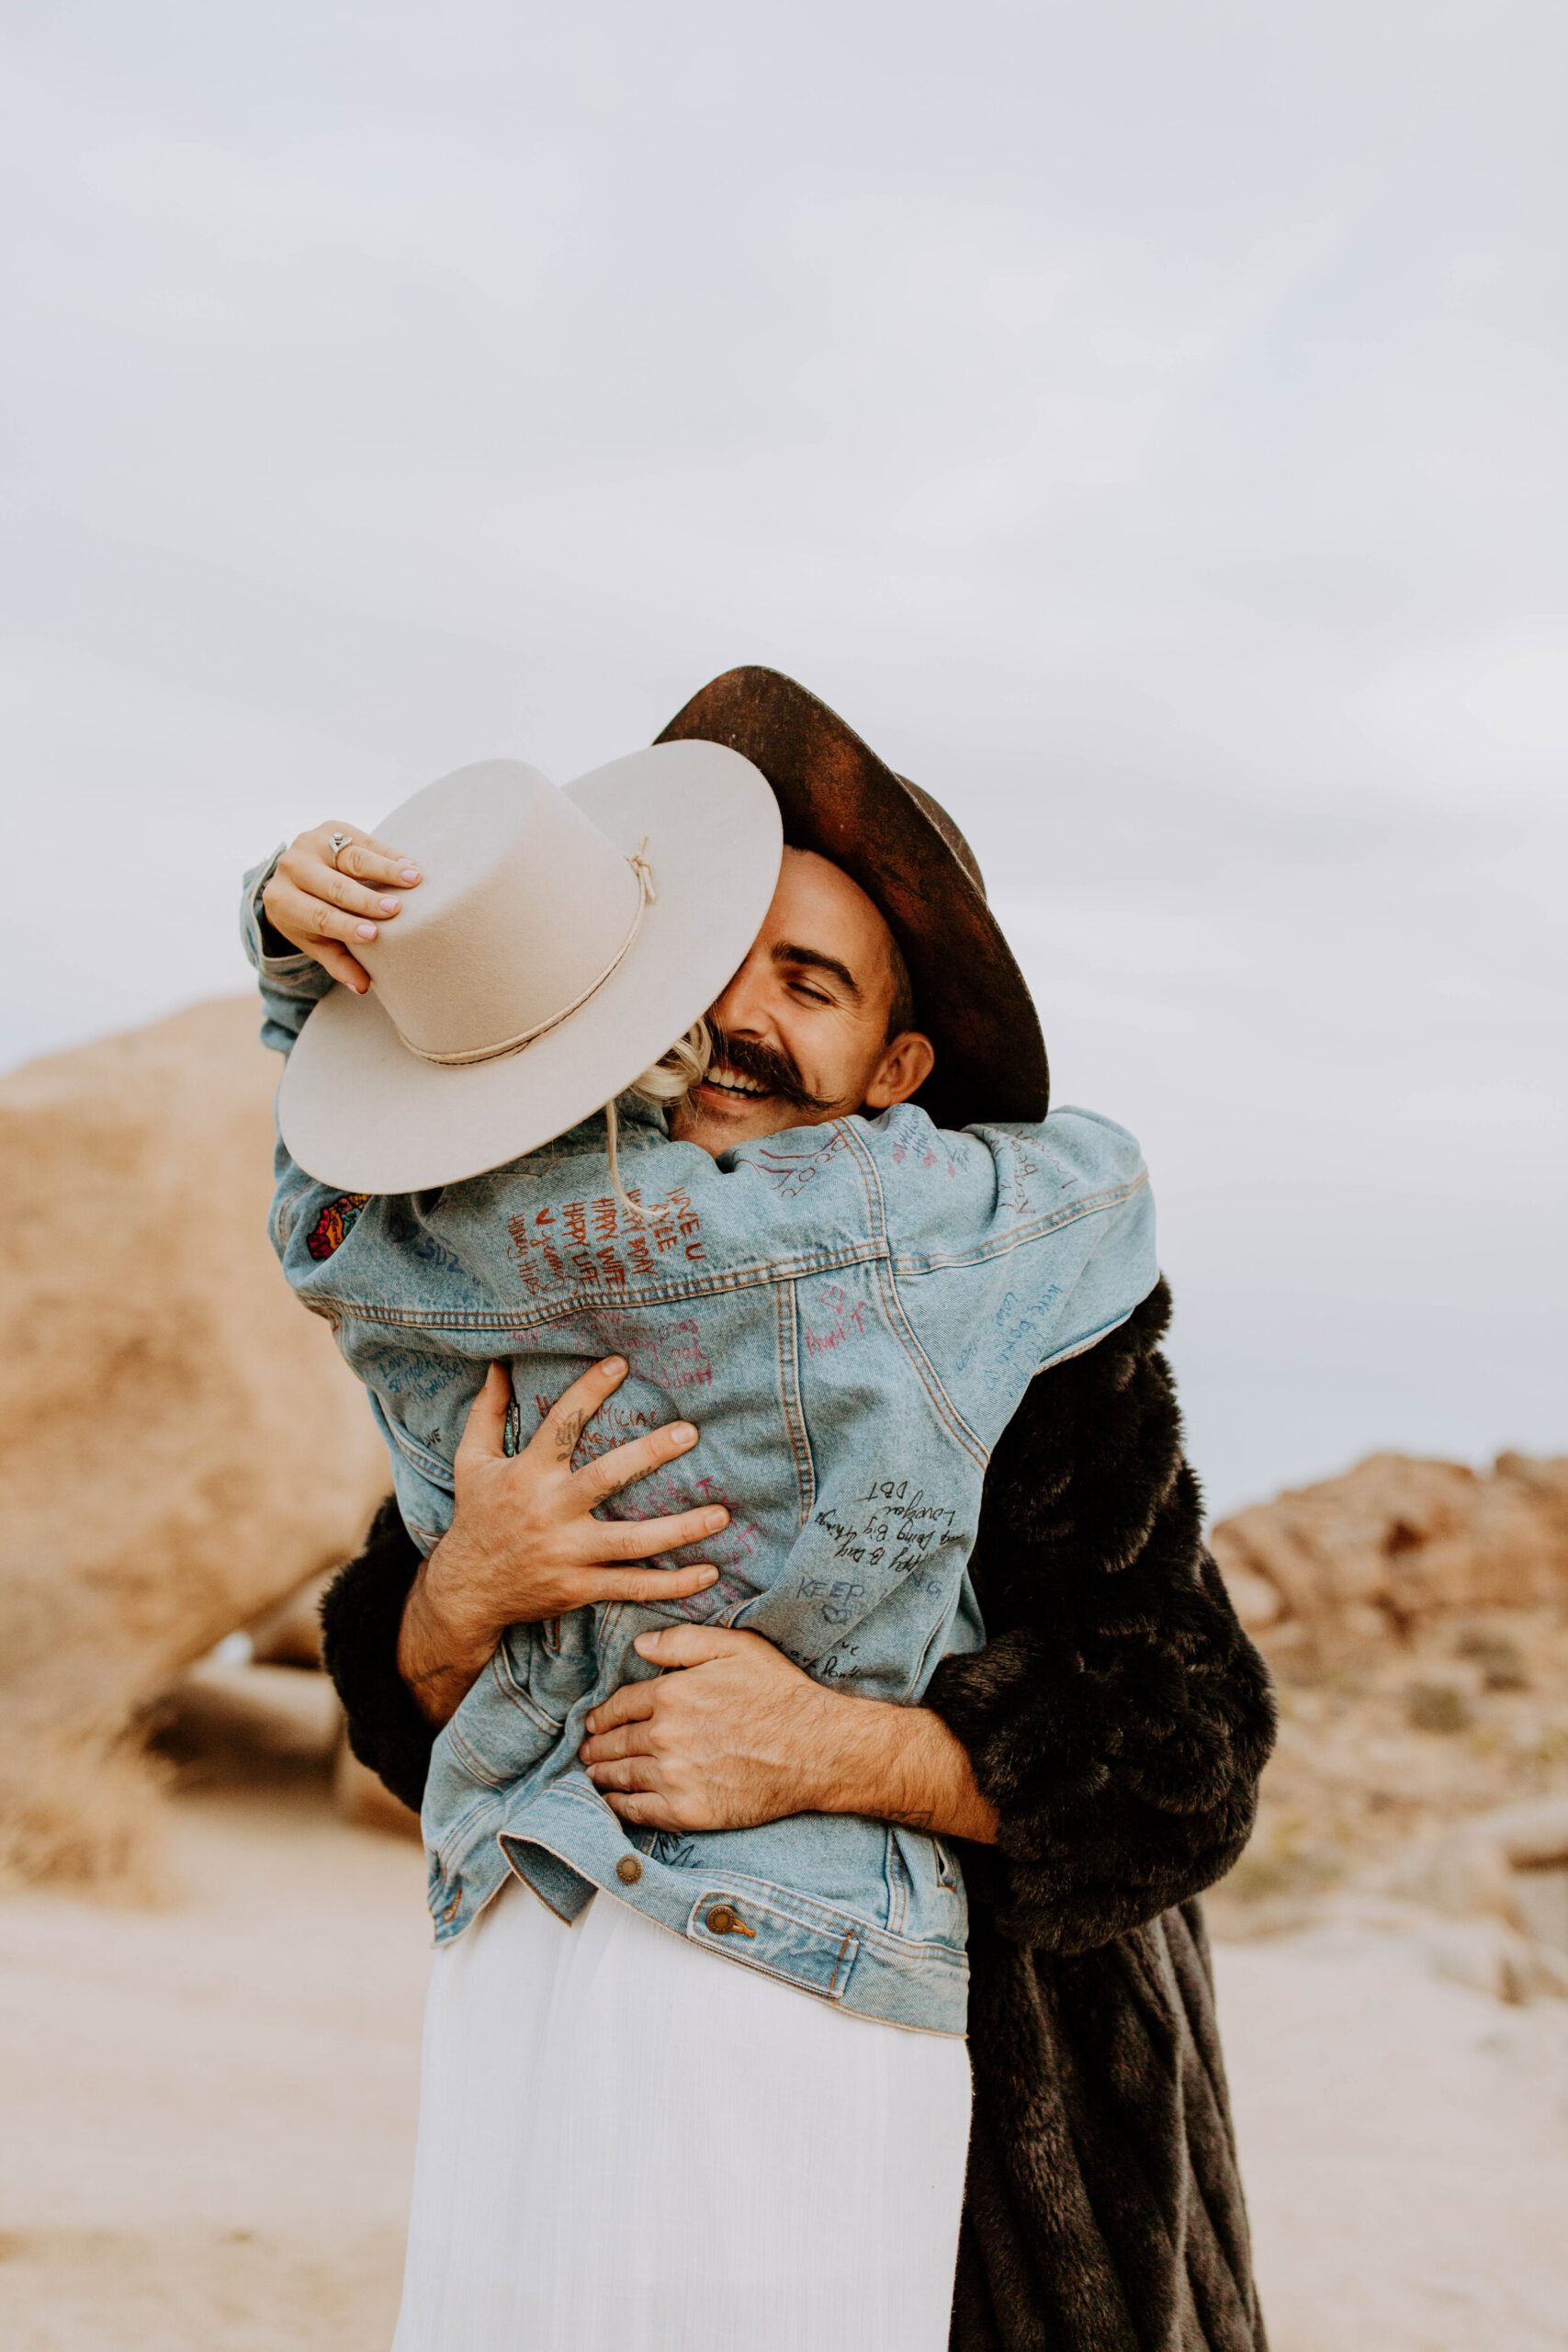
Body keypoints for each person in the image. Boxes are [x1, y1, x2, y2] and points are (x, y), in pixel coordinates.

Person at [278, 671, 1277, 2350]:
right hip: (597, 2061)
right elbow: (410, 1708)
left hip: (994, 2122)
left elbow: (1193, 1755)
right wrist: (459, 1594)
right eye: (712, 969)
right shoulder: (558, 1289)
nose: (738, 1022)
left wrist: (830, 1749)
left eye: (807, 986)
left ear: (894, 1066)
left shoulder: (1004, 1325)